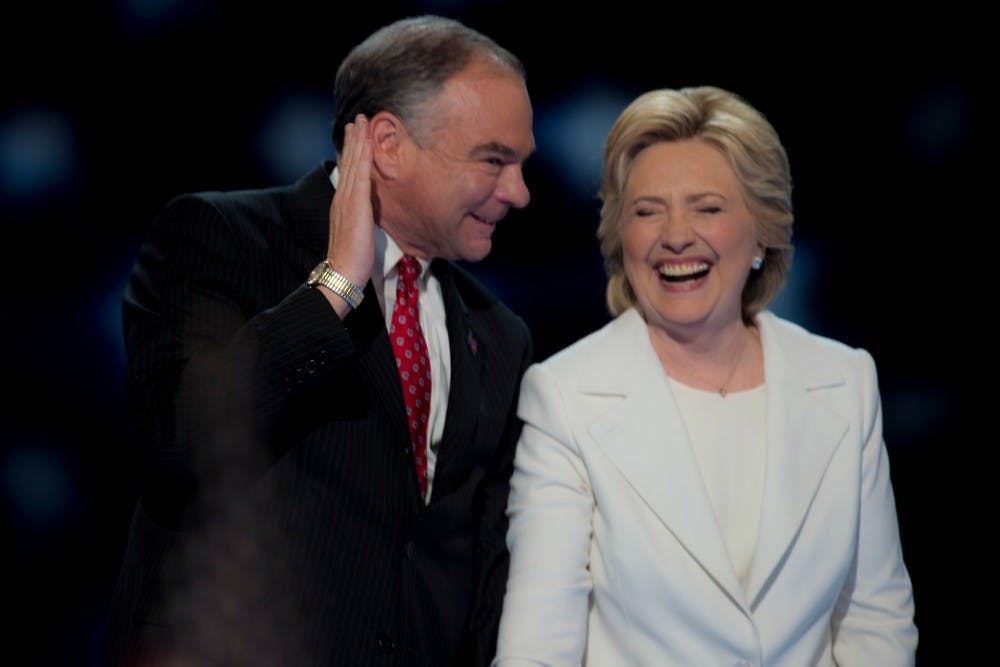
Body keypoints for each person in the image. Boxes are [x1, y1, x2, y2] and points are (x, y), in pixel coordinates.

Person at [103, 15, 534, 667]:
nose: (519, 193)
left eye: (521, 164)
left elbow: (480, 566)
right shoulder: (222, 238)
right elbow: (177, 441)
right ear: (387, 143)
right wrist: (334, 287)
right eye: (494, 160)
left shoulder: (499, 334)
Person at [492, 86, 917, 666]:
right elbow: (539, 648)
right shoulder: (564, 396)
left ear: (762, 230)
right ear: (621, 237)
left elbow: (875, 619)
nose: (675, 235)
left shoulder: (844, 380)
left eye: (707, 207)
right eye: (647, 212)